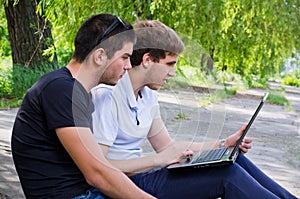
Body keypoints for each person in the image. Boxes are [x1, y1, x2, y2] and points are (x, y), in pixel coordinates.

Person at [91, 20, 297, 198]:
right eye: (170, 64)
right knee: (227, 175)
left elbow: (166, 146)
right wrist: (157, 161)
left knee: (231, 158)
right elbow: (100, 168)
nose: (172, 73)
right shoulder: (108, 96)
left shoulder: (147, 95)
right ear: (147, 60)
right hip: (126, 186)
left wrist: (223, 144)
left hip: (145, 175)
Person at [11, 14, 156, 199]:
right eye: (125, 57)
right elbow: (97, 173)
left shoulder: (74, 91)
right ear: (100, 56)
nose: (129, 66)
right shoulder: (61, 89)